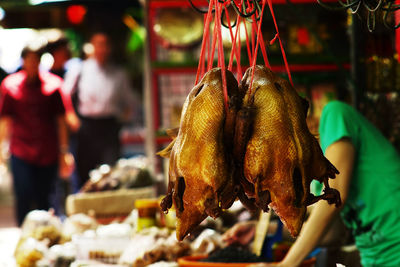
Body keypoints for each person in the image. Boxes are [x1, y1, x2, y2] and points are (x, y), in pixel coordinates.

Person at [225, 100, 400, 267]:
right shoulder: (318, 180)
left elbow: (335, 194)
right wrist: (265, 229)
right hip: (375, 259)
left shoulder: (335, 114)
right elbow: (332, 233)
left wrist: (288, 263)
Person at [0, 43, 74, 225]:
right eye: (29, 59)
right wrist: (2, 148)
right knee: (23, 194)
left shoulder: (54, 85)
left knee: (46, 197)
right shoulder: (11, 85)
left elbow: (61, 121)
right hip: (21, 149)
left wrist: (64, 151)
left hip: (47, 150)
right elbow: (5, 120)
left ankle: (46, 236)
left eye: (36, 59)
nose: (32, 63)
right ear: (23, 61)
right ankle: (23, 236)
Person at [62, 32, 135, 191]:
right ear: (92, 47)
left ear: (109, 48)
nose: (102, 49)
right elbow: (64, 94)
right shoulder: (80, 70)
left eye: (105, 45)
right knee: (84, 170)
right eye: (98, 44)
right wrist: (71, 116)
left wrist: (124, 117)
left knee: (110, 171)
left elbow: (129, 100)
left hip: (109, 125)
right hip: (86, 125)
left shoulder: (118, 73)